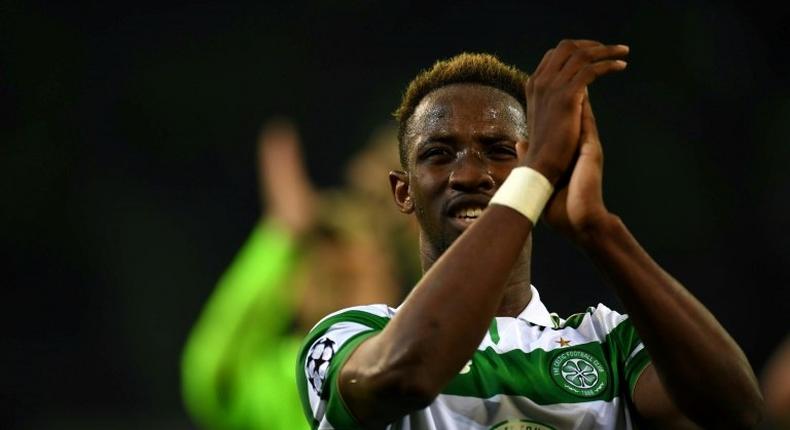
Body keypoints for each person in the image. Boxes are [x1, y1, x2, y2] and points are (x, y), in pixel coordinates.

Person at [296, 40, 764, 429]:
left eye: (499, 151)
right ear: (403, 192)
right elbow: (409, 376)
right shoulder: (348, 335)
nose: (470, 174)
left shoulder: (609, 343)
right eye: (439, 154)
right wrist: (533, 171)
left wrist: (597, 228)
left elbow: (738, 413)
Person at [181, 120, 413, 429]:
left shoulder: (421, 373)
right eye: (316, 260)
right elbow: (212, 373)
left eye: (347, 274)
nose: (329, 272)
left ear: (391, 279)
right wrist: (280, 237)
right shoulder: (282, 376)